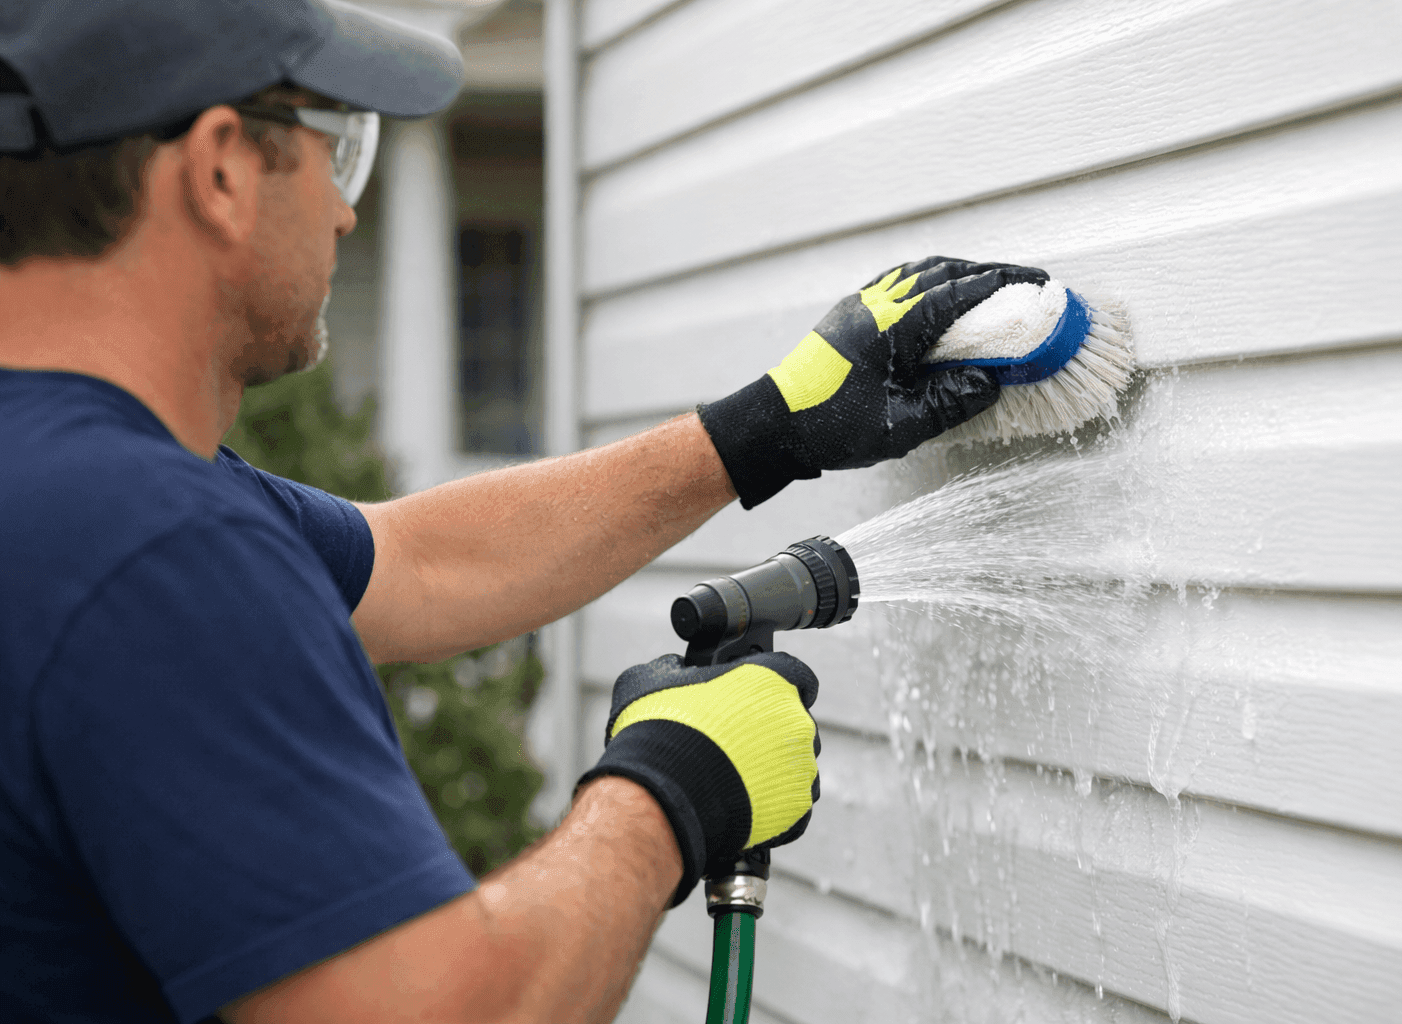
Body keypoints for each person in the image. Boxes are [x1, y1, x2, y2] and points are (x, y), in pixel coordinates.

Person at [0, 2, 1042, 1021]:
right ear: (222, 168)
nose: (346, 211)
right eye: (335, 146)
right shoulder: (149, 545)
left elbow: (419, 562)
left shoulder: (75, 490)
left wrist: (766, 428)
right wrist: (671, 788)